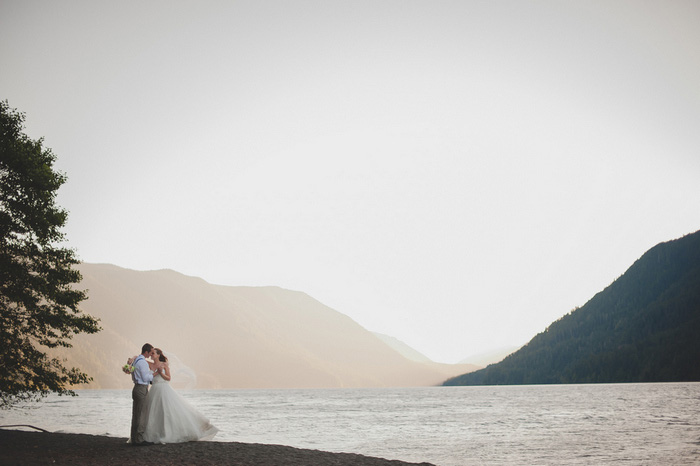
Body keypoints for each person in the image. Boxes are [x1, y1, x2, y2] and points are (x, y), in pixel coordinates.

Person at [139, 348, 218, 444]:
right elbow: (140, 359)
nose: (151, 355)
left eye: (153, 353)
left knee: (167, 411)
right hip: (154, 389)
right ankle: (155, 433)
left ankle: (170, 432)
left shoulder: (164, 365)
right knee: (154, 412)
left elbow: (168, 378)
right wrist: (132, 359)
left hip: (164, 389)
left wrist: (160, 373)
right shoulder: (150, 364)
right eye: (151, 353)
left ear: (158, 355)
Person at [129, 343, 156, 445]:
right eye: (150, 352)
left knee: (136, 414)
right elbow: (145, 378)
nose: (151, 355)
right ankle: (139, 439)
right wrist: (153, 374)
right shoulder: (143, 363)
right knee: (141, 414)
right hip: (141, 388)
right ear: (146, 352)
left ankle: (134, 438)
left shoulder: (136, 360)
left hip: (136, 388)